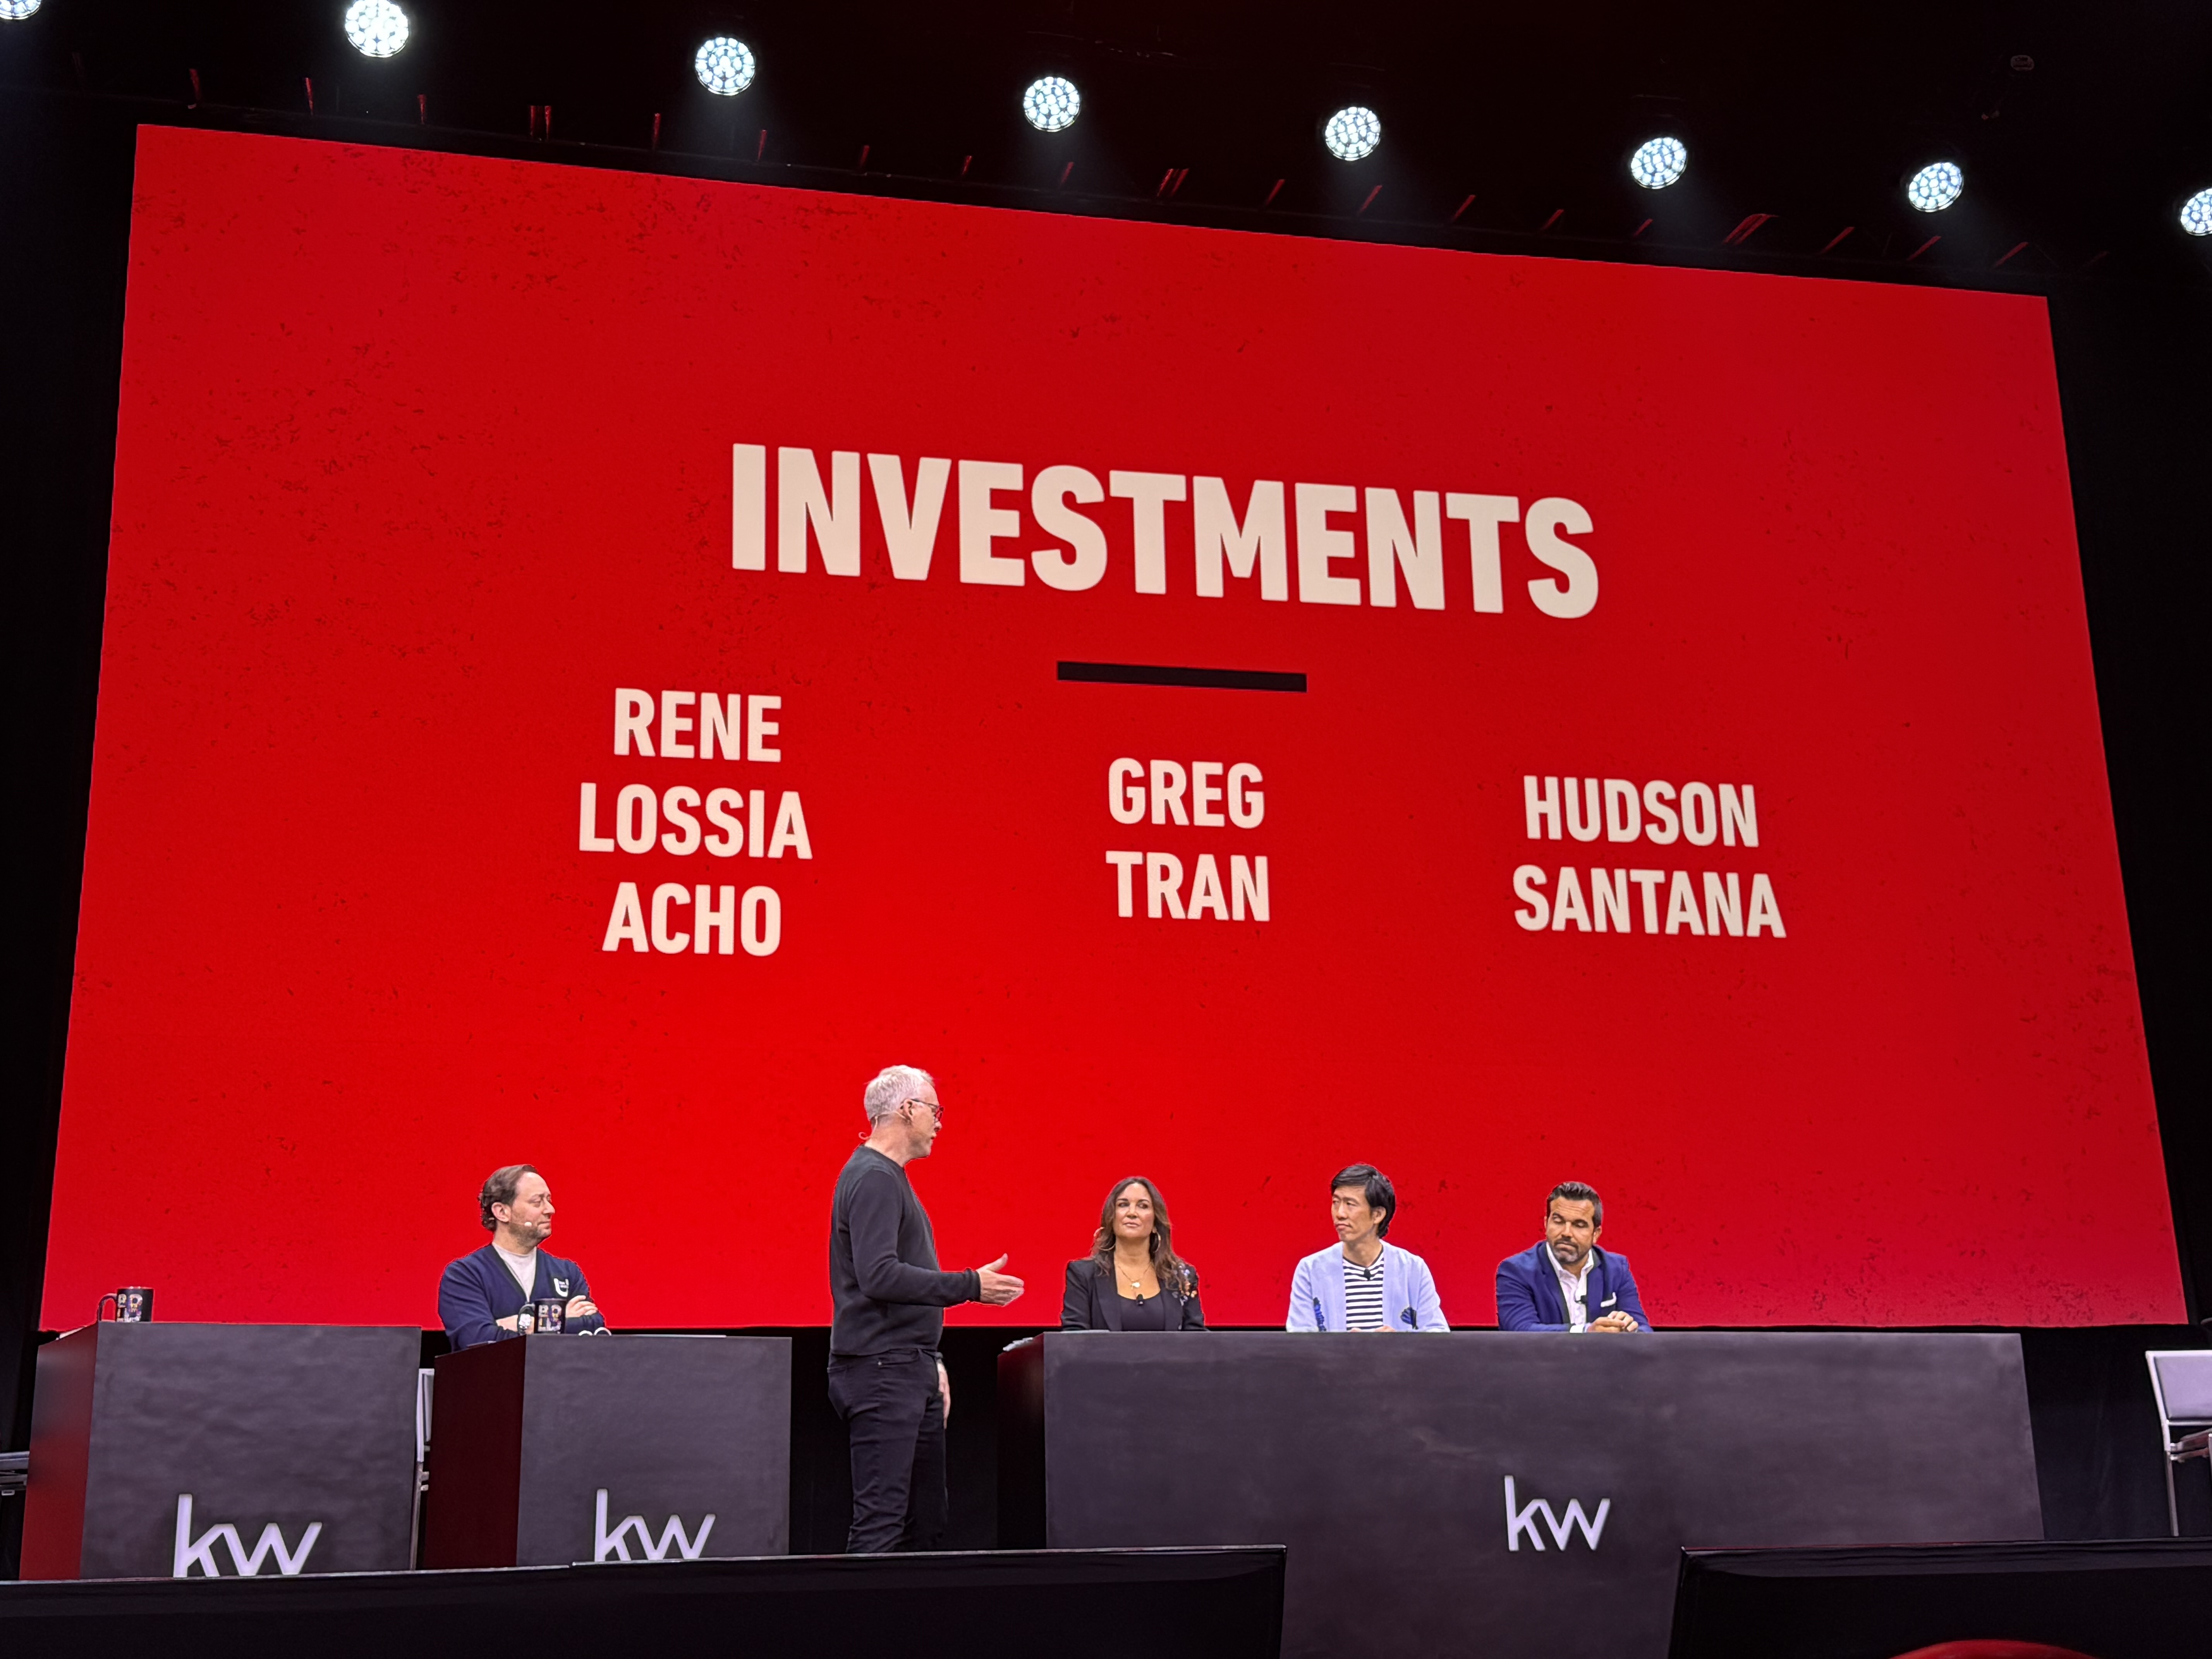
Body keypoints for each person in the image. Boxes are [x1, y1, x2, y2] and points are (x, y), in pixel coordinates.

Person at [829, 1064, 1024, 1553]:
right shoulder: (873, 1178)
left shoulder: (886, 1177)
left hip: (906, 1367)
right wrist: (971, 1285)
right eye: (935, 1111)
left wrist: (930, 1360)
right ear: (907, 1109)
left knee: (926, 1523)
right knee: (882, 1525)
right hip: (881, 1371)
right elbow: (878, 1276)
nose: (939, 1123)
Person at [438, 1164, 607, 1348]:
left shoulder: (567, 1272)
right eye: (537, 1202)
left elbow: (593, 1326)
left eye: (549, 1200)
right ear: (502, 1212)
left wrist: (514, 1324)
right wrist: (562, 1319)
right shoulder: (465, 1275)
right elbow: (478, 1339)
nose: (550, 1209)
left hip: (560, 1368)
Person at [1286, 1163, 1449, 1331]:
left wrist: (1399, 1343)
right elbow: (1300, 1337)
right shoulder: (1311, 1270)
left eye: (1350, 1204)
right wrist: (1344, 1345)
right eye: (1336, 1202)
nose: (1340, 1213)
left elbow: (1437, 1334)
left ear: (1378, 1215)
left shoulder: (1413, 1269)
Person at [1495, 1180, 1651, 1332]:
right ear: (1546, 1224)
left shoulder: (1616, 1270)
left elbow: (1644, 1331)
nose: (1566, 1233)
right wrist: (1586, 1332)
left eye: (1579, 1225)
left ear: (1596, 1234)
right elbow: (1521, 1331)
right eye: (1558, 1221)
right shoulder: (1516, 1271)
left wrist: (1630, 1330)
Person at [1061, 1176, 1207, 1331]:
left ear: (1155, 1223)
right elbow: (1073, 1338)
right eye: (1123, 1205)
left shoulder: (1183, 1278)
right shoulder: (1083, 1275)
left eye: (1143, 1206)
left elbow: (1197, 1339)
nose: (1132, 1213)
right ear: (1111, 1218)